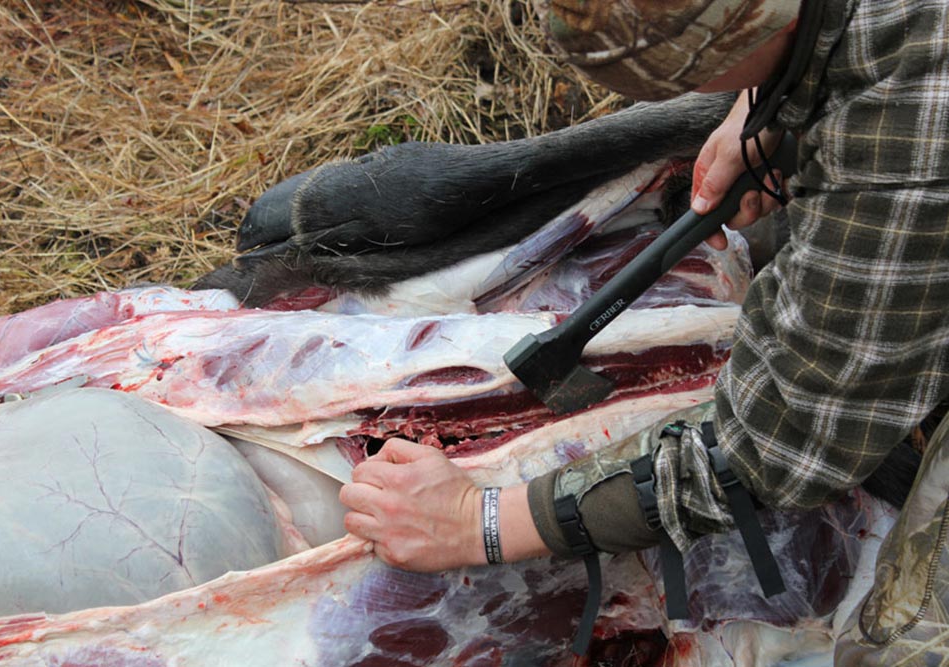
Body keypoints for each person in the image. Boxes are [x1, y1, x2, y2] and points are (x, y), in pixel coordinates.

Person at [339, 1, 949, 663]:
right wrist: (763, 104)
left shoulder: (904, 157)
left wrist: (481, 521)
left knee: (899, 649)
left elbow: (786, 445)